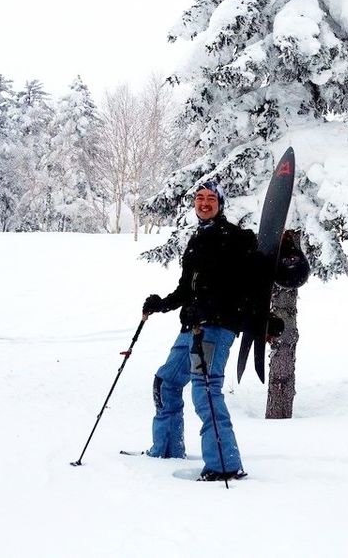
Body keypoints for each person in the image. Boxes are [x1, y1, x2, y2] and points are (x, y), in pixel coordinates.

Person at [140, 181, 307, 481]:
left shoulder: (234, 239)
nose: (204, 203)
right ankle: (165, 450)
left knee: (205, 391)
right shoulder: (196, 240)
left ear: (220, 204)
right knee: (166, 382)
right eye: (199, 198)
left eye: (210, 199)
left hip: (216, 328)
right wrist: (161, 304)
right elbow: (186, 288)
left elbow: (242, 285)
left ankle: (224, 465)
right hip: (192, 328)